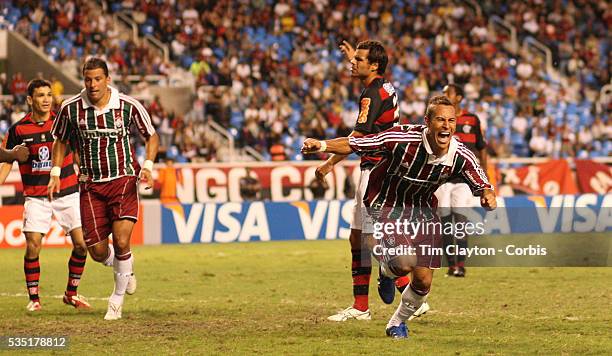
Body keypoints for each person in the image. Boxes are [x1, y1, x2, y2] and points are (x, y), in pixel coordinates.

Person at [301, 95, 496, 338]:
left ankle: (396, 322)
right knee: (404, 263)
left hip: (423, 210)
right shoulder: (401, 139)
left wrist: (487, 193)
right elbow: (356, 144)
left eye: (451, 120)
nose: (446, 126)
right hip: (386, 203)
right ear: (427, 121)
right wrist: (320, 145)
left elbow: (478, 174)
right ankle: (388, 270)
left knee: (423, 282)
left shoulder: (459, 154)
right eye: (440, 120)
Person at [48, 58, 159, 320]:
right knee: (97, 251)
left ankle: (116, 300)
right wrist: (54, 172)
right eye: (88, 79)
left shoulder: (128, 105)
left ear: (107, 79)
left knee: (121, 241)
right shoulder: (71, 108)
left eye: (98, 79)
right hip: (90, 186)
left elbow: (151, 135)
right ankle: (125, 269)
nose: (92, 84)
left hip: (123, 180)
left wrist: (149, 165)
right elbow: (60, 140)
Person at [317, 40, 411, 322]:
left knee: (371, 241)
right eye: (353, 58)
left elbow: (357, 140)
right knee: (357, 238)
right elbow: (364, 137)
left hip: (376, 171)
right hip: (378, 166)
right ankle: (362, 307)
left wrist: (323, 149)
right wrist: (331, 163)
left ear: (374, 65)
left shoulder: (372, 93)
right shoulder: (383, 87)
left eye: (359, 59)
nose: (353, 62)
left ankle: (396, 279)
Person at [0, 79, 89, 312]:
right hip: (36, 197)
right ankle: (34, 298)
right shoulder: (18, 130)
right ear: (30, 99)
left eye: (49, 94)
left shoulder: (64, 123)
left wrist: (85, 173)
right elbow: (7, 160)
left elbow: (77, 152)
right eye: (41, 95)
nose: (47, 99)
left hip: (67, 192)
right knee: (33, 246)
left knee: (81, 245)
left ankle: (71, 293)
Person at [437, 84, 489, 277]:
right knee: (445, 224)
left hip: (464, 180)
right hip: (441, 180)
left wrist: (484, 175)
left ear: (458, 97)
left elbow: (481, 148)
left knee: (460, 221)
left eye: (448, 93)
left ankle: (460, 265)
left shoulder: (472, 120)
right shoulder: (438, 119)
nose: (444, 95)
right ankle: (451, 266)